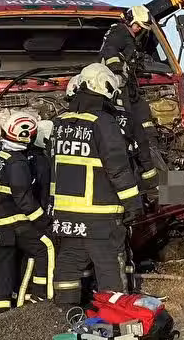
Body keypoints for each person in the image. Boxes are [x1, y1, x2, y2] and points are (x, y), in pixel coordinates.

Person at [51, 63, 143, 307]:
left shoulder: (59, 123)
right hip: (100, 216)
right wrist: (133, 204)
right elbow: (118, 168)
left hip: (66, 216)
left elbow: (52, 169)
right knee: (109, 267)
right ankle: (114, 313)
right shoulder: (104, 123)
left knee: (68, 265)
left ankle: (66, 311)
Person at [0, 112, 54, 315]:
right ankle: (40, 299)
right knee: (44, 246)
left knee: (1, 272)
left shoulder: (2, 156)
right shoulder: (17, 162)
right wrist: (42, 221)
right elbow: (23, 197)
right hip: (7, 222)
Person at [99, 5, 159, 190]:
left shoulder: (128, 36)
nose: (139, 29)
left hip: (131, 90)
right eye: (138, 25)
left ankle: (169, 195)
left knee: (148, 131)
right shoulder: (119, 32)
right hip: (122, 90)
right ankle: (162, 193)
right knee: (142, 138)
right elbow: (109, 52)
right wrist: (117, 72)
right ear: (131, 21)